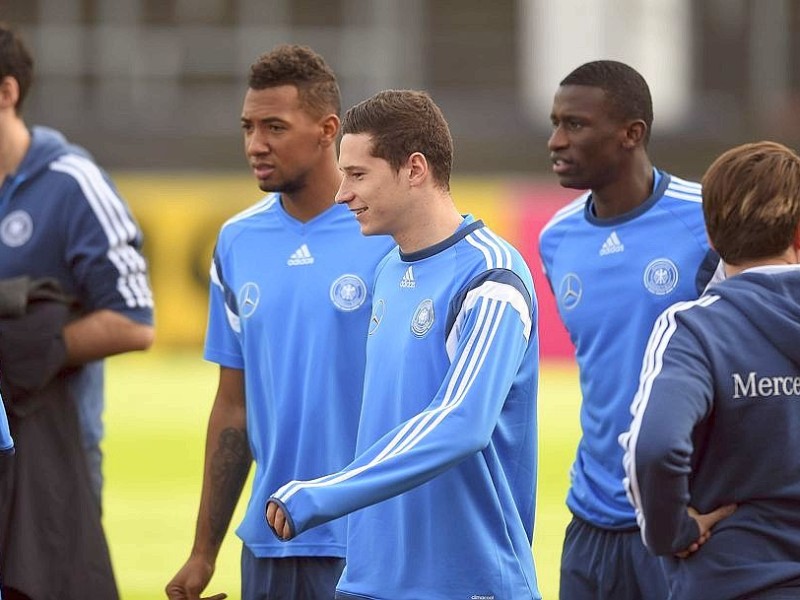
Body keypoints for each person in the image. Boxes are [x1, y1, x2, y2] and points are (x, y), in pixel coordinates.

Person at [267, 89, 541, 600]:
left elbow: (463, 422)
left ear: (414, 169)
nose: (341, 193)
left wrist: (326, 492)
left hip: (468, 583)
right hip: (368, 581)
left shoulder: (491, 277)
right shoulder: (389, 271)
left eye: (358, 174)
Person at [165, 45, 394, 600]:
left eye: (274, 127)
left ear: (327, 130)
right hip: (269, 540)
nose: (255, 144)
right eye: (247, 127)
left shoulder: (387, 234)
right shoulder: (237, 240)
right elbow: (233, 405)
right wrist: (202, 553)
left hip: (370, 538)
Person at [538, 59, 719, 599]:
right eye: (555, 123)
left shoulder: (709, 219)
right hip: (590, 522)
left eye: (575, 124)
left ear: (631, 134)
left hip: (682, 521)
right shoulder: (555, 239)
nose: (555, 140)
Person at [0, 22, 154, 600]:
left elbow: (136, 322)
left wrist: (38, 347)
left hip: (52, 464)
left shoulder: (72, 182)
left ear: (7, 92)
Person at [622, 141, 800, 600]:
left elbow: (655, 447)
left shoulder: (693, 327)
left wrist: (671, 534)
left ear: (712, 235)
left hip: (731, 580)